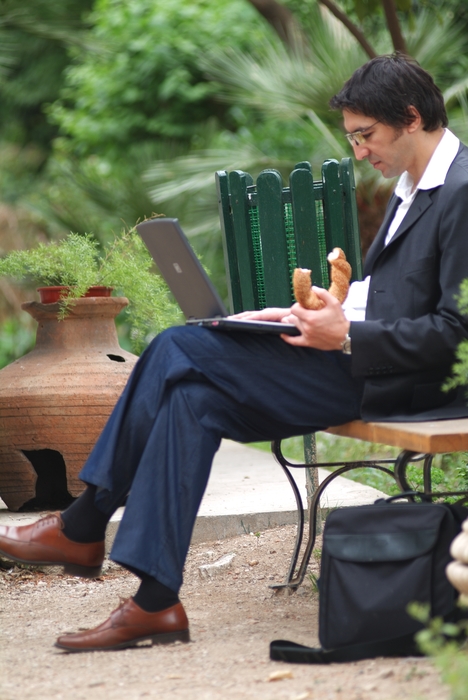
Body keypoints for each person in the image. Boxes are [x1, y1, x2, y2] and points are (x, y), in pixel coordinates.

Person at [1, 54, 468, 652]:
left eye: (365, 136)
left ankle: (83, 526)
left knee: (176, 346)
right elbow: (390, 297)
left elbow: (456, 333)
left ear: (409, 117)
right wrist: (316, 313)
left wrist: (346, 336)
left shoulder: (458, 193)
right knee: (193, 400)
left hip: (407, 384)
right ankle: (154, 604)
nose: (359, 153)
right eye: (352, 138)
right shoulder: (412, 187)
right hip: (365, 362)